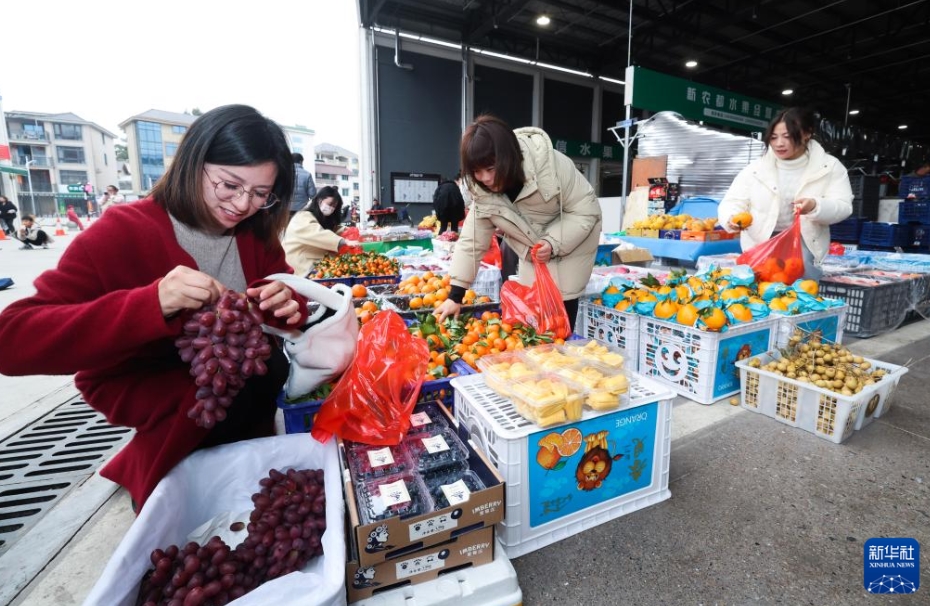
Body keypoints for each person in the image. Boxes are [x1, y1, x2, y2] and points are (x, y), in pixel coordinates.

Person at [0, 104, 309, 511]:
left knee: (269, 369)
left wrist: (287, 302)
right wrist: (150, 304)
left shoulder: (254, 235)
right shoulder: (122, 232)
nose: (241, 204)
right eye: (229, 185)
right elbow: (13, 338)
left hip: (247, 418)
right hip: (168, 404)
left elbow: (286, 292)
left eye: (260, 194)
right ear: (192, 163)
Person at [433, 115, 602, 333]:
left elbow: (586, 210)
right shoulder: (483, 192)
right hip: (534, 253)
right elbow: (471, 242)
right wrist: (455, 296)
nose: (485, 178)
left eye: (491, 168)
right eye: (477, 171)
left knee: (561, 318)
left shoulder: (551, 166)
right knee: (535, 322)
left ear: (508, 158)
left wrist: (553, 242)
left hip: (571, 245)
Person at [718, 107, 853, 280]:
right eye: (773, 137)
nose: (779, 143)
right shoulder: (755, 170)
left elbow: (843, 206)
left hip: (804, 242)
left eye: (787, 136)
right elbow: (732, 201)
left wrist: (814, 206)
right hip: (761, 242)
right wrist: (731, 217)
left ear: (807, 133)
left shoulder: (829, 167)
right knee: (757, 295)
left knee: (800, 294)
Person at [283, 186, 360, 277]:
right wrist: (344, 241)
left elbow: (332, 230)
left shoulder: (320, 218)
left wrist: (348, 230)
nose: (331, 208)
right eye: (330, 204)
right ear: (319, 200)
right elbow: (318, 234)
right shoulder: (303, 217)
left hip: (314, 264)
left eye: (334, 206)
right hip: (301, 266)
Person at [290, 152, 317, 219]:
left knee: (287, 228)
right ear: (301, 162)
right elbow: (313, 194)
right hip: (302, 209)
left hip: (286, 209)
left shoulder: (284, 174)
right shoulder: (307, 174)